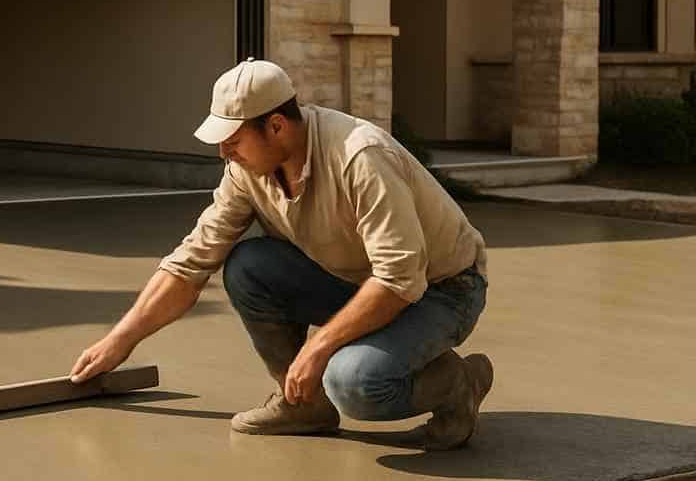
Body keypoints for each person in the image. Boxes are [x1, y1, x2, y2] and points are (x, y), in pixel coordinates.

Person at [69, 58, 493, 450]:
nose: (224, 153)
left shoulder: (360, 157)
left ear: (275, 126)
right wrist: (119, 341)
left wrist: (318, 347)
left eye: (233, 140)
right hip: (359, 281)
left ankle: (460, 384)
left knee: (353, 383)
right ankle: (304, 405)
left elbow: (400, 278)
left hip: (442, 290)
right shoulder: (246, 172)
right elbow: (191, 262)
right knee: (249, 266)